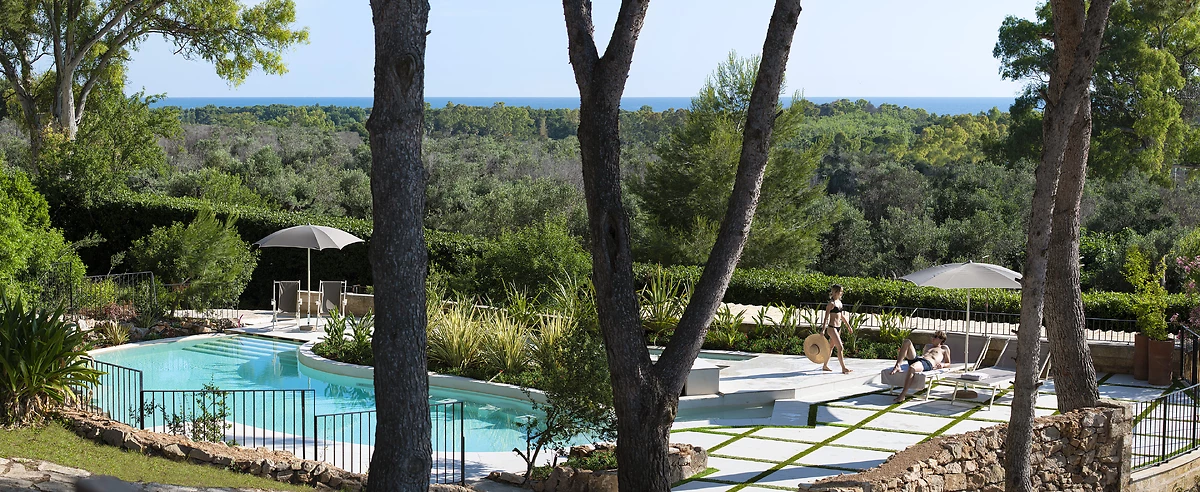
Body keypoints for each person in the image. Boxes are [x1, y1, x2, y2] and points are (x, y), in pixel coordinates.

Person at [889, 330, 952, 402]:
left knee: (912, 367)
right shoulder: (928, 347)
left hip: (927, 363)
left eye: (935, 337)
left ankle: (903, 394)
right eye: (933, 336)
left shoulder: (944, 349)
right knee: (907, 341)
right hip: (919, 359)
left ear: (941, 339)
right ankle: (898, 365)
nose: (932, 338)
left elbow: (948, 363)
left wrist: (943, 365)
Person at [821, 284, 853, 374]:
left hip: (838, 327)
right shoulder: (831, 303)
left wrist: (848, 326)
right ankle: (843, 368)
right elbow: (826, 317)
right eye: (840, 291)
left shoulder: (839, 302)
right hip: (832, 328)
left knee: (831, 347)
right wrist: (823, 330)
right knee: (840, 347)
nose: (841, 293)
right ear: (835, 292)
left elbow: (841, 316)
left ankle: (825, 365)